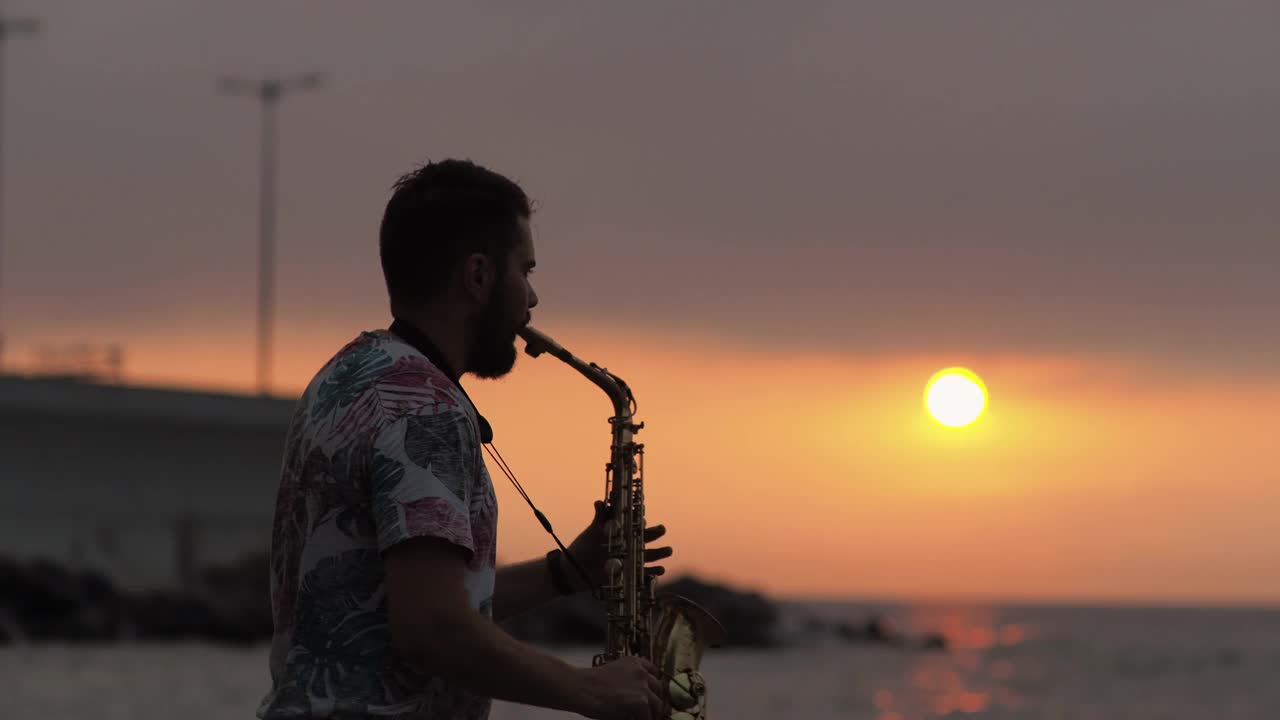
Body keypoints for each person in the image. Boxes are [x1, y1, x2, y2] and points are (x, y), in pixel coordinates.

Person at [257, 159, 673, 720]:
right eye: (524, 271)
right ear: (478, 276)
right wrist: (590, 690)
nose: (532, 299)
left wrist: (564, 574)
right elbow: (430, 626)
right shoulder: (426, 410)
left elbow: (393, 605)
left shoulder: (346, 376)